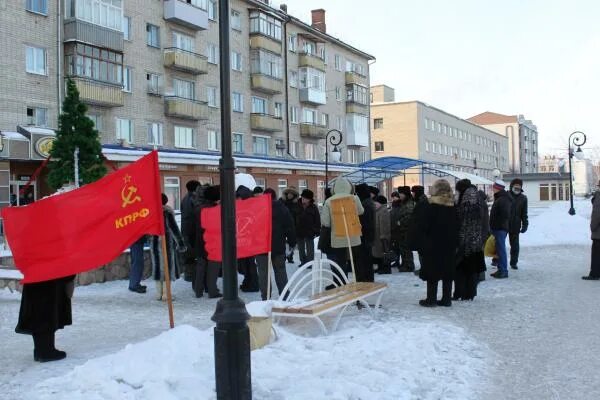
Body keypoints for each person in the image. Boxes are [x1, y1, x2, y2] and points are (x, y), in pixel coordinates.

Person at [414, 179, 459, 307]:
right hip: (449, 244)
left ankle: (431, 299)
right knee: (447, 270)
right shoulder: (452, 206)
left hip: (433, 243)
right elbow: (457, 225)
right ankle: (446, 299)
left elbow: (424, 225)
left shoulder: (430, 206)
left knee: (432, 270)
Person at [16, 275, 75, 362]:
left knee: (36, 313)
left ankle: (40, 350)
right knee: (46, 314)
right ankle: (46, 351)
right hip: (49, 281)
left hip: (35, 277)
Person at [320, 177, 364, 287]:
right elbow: (361, 211)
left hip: (337, 238)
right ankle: (357, 285)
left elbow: (326, 222)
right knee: (355, 262)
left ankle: (341, 283)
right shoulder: (354, 198)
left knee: (340, 263)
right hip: (353, 236)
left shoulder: (329, 201)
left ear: (334, 188)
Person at [257, 188, 297, 300]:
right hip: (278, 246)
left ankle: (265, 297)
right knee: (280, 271)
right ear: (274, 196)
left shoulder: (258, 208)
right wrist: (292, 242)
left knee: (263, 273)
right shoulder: (282, 209)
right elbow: (290, 227)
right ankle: (284, 295)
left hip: (261, 247)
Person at [454, 179, 486, 301]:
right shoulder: (477, 199)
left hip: (465, 241)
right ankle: (470, 293)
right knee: (472, 269)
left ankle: (461, 293)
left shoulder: (466, 202)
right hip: (476, 241)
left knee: (461, 268)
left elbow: (461, 221)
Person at [151, 194, 187, 300]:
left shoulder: (150, 213)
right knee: (167, 267)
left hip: (154, 243)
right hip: (166, 244)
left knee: (158, 267)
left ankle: (159, 293)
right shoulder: (166, 213)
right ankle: (166, 294)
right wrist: (181, 244)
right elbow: (174, 228)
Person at [193, 185, 222, 298]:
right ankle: (212, 290)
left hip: (200, 241)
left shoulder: (198, 208)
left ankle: (198, 290)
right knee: (213, 268)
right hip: (213, 241)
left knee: (201, 266)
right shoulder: (216, 209)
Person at [236, 175, 260, 292]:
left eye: (239, 198)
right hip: (244, 238)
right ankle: (248, 281)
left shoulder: (250, 206)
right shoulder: (245, 204)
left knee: (249, 263)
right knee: (245, 263)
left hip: (249, 239)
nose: (237, 200)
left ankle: (253, 283)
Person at [489, 180, 513, 279]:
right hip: (498, 228)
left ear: (497, 188)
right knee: (498, 250)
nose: (492, 189)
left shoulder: (503, 199)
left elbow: (505, 215)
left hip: (500, 228)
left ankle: (503, 271)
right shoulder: (500, 198)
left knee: (501, 250)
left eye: (493, 187)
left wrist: (497, 224)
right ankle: (500, 269)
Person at [355, 183, 376, 282]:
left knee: (363, 260)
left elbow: (364, 222)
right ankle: (368, 279)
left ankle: (365, 280)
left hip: (364, 236)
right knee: (367, 260)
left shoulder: (365, 204)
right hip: (368, 236)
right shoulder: (368, 202)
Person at [391, 186, 415, 272]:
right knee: (403, 248)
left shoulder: (409, 203)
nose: (400, 195)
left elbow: (409, 216)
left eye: (401, 194)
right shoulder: (403, 202)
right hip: (402, 230)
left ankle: (409, 265)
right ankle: (405, 264)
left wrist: (400, 222)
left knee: (406, 249)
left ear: (405, 194)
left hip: (407, 229)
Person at [181, 180, 201, 282]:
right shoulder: (194, 199)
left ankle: (189, 275)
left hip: (186, 231)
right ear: (196, 188)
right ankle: (192, 276)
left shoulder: (185, 199)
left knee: (189, 255)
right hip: (192, 231)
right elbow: (196, 215)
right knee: (193, 254)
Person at [508, 179, 529, 270]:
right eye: (515, 185)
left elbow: (524, 213)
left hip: (515, 225)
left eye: (519, 185)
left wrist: (525, 224)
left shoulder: (523, 198)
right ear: (511, 186)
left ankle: (513, 262)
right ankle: (496, 260)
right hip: (503, 224)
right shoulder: (506, 195)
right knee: (498, 243)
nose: (517, 187)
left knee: (515, 245)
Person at [296, 189, 321, 266]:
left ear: (309, 199)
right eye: (302, 197)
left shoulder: (313, 207)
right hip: (299, 230)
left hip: (310, 231)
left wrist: (316, 230)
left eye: (305, 198)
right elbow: (293, 217)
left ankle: (310, 262)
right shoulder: (297, 205)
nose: (303, 199)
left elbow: (317, 220)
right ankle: (302, 261)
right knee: (301, 248)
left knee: (310, 248)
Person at [583, 181, 600, 280]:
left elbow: (597, 213)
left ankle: (595, 274)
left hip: (598, 232)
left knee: (596, 254)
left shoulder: (599, 196)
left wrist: (592, 227)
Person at [410, 185, 428, 275]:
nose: (412, 194)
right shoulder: (420, 201)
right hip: (421, 231)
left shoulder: (422, 202)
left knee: (422, 251)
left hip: (422, 232)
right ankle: (423, 268)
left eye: (413, 192)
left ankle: (424, 269)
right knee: (421, 251)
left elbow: (421, 218)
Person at [372, 195, 391, 274]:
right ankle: (381, 267)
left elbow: (385, 224)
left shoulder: (383, 211)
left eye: (376, 203)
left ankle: (385, 268)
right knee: (379, 253)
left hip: (381, 236)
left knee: (384, 253)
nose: (374, 205)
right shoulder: (378, 210)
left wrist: (383, 235)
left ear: (380, 203)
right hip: (377, 235)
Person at [282, 187, 301, 263]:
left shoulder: (296, 203)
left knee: (291, 242)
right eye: (288, 193)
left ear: (294, 195)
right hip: (283, 225)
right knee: (282, 242)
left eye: (291, 194)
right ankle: (283, 256)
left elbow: (298, 213)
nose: (290, 195)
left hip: (292, 225)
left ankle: (290, 256)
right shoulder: (282, 202)